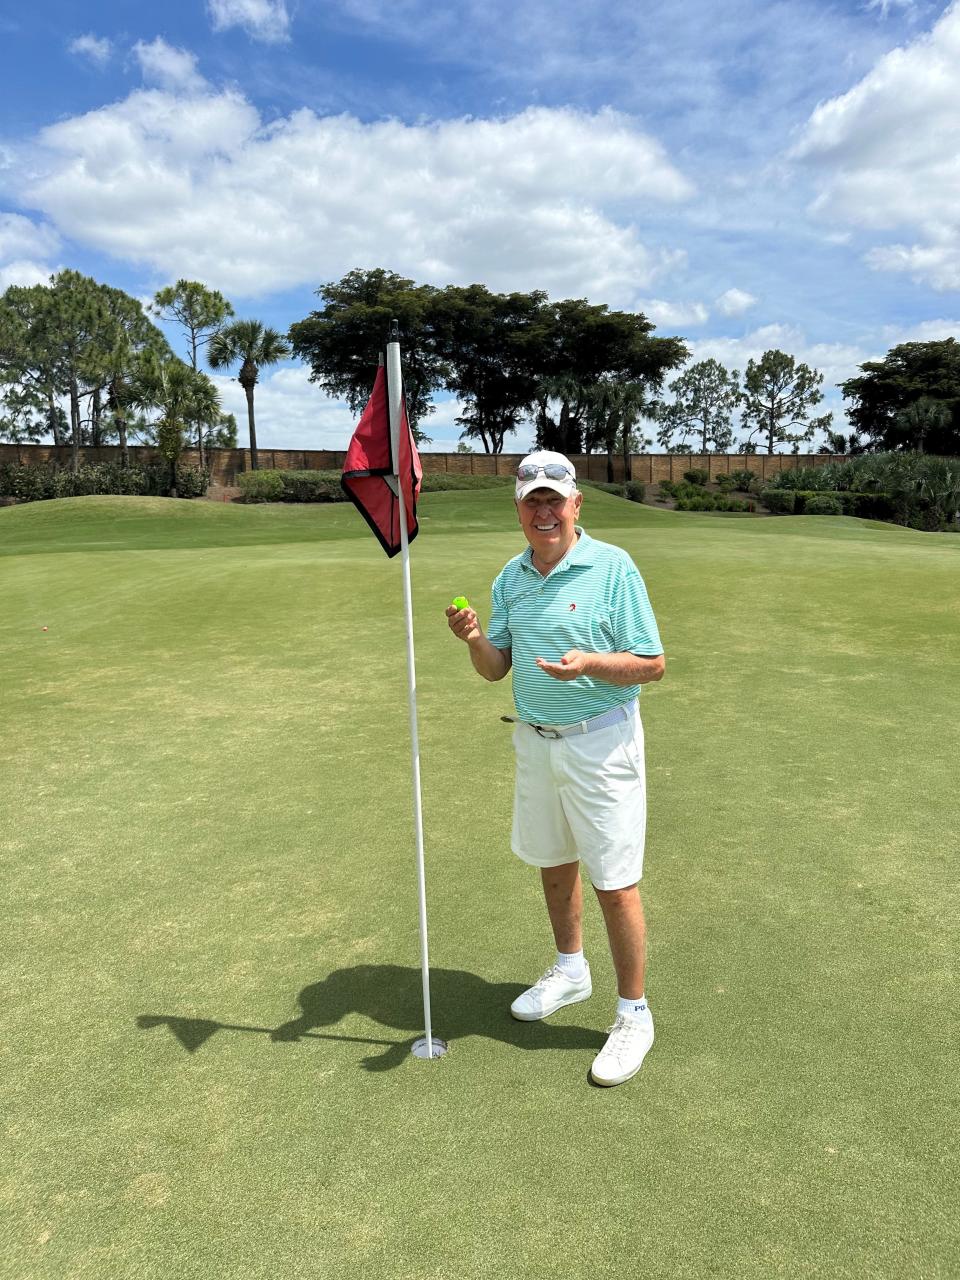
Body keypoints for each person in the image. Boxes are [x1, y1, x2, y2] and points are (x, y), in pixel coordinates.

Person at [446, 450, 665, 1087]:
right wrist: (474, 640)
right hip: (536, 743)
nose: (544, 511)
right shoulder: (511, 578)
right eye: (531, 501)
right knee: (552, 862)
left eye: (554, 499)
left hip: (602, 744)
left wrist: (590, 664)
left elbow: (652, 664)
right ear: (519, 509)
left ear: (576, 504)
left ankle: (634, 1013)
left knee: (614, 879)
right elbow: (496, 669)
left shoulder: (613, 566)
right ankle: (571, 970)